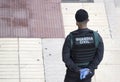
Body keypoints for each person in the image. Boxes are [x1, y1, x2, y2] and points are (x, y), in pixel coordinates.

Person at [62, 9, 104, 82]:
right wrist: (89, 69)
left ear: (76, 22)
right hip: (87, 74)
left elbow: (65, 58)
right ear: (88, 20)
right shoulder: (96, 37)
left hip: (72, 74)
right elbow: (99, 56)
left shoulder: (70, 38)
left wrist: (78, 70)